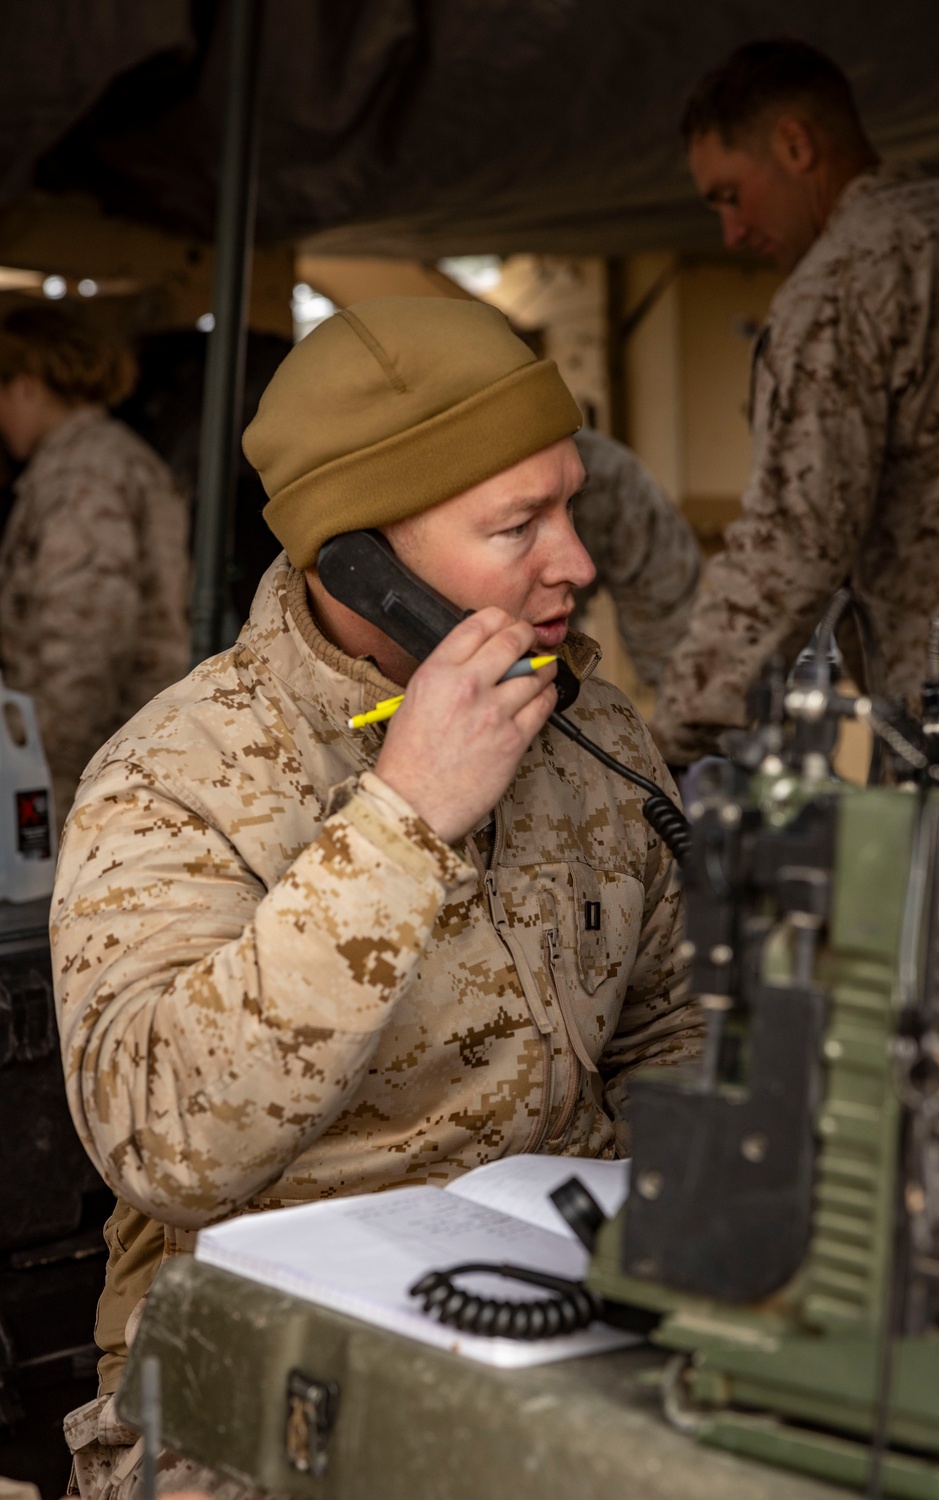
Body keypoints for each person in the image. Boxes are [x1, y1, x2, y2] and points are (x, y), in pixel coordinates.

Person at [51, 297, 700, 1498]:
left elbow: (665, 1028)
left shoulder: (590, 729)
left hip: (572, 1334)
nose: (577, 563)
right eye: (518, 526)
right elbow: (160, 1140)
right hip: (263, 1387)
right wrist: (402, 823)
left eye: (570, 506)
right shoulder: (171, 777)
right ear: (359, 559)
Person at [651, 39, 939, 765]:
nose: (732, 232)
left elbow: (791, 545)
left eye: (729, 195)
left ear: (795, 144)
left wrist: (670, 740)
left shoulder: (837, 288)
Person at [0, 304, 190, 827]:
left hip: (83, 766)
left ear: (26, 386)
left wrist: (43, 765)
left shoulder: (83, 475)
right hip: (113, 752)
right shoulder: (108, 459)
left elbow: (84, 633)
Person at [570, 427, 700, 686]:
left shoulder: (609, 476)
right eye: (518, 528)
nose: (581, 570)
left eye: (570, 505)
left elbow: (673, 646)